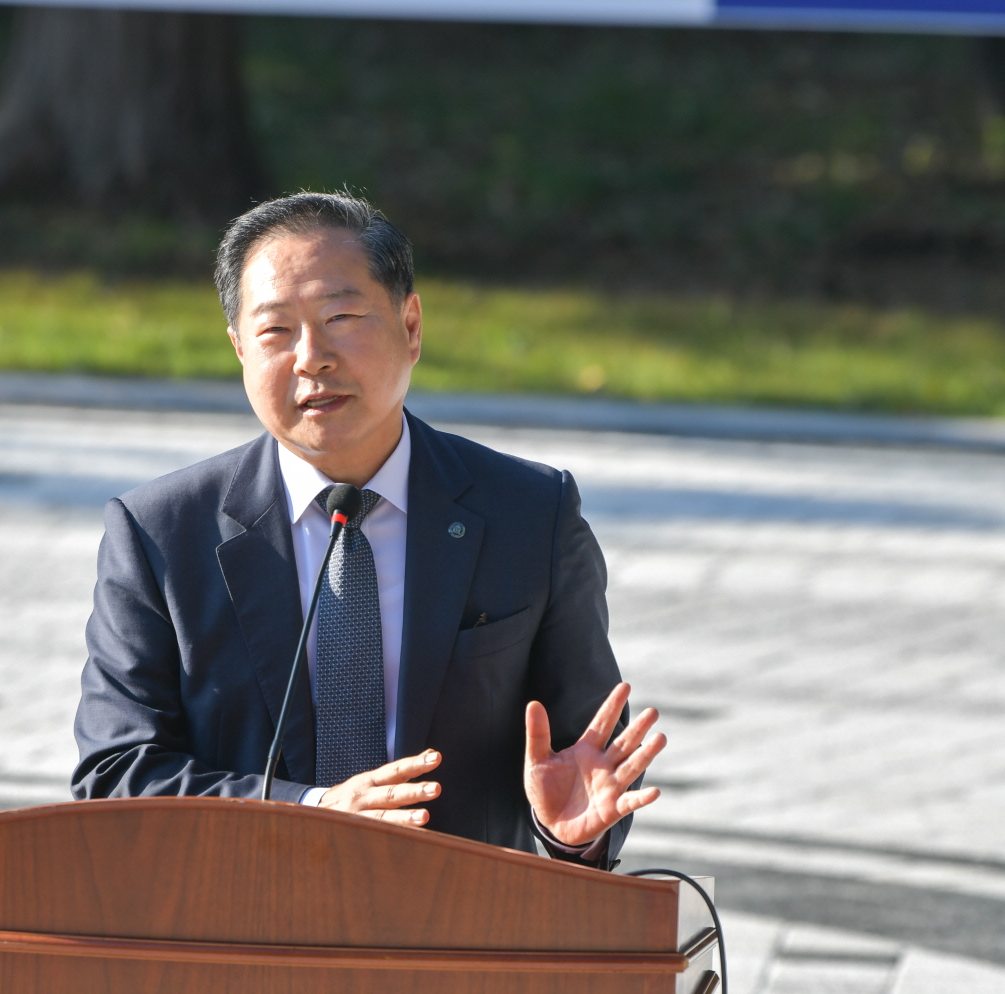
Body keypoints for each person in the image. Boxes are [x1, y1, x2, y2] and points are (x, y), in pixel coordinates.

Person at [72, 191, 664, 867]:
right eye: (275, 331)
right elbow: (116, 775)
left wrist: (569, 833)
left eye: (341, 317)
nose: (311, 357)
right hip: (240, 912)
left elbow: (585, 759)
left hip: (459, 914)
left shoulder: (529, 514)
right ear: (239, 349)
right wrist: (310, 812)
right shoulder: (161, 534)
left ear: (410, 326)